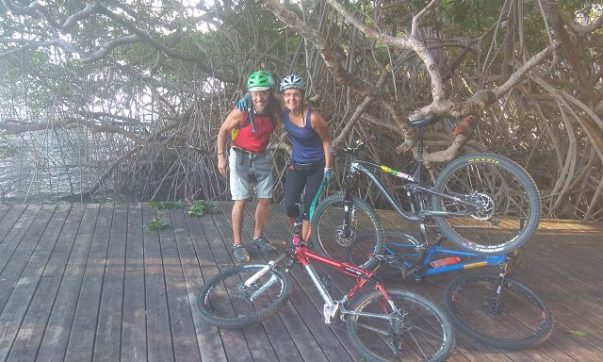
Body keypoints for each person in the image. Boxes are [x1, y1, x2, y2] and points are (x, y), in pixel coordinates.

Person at [216, 70, 280, 263]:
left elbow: (291, 100)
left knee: (265, 198)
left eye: (263, 92)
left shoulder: (275, 106)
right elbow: (223, 131)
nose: (259, 98)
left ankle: (258, 237)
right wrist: (221, 157)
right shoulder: (241, 110)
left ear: (270, 92)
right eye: (254, 93)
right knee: (241, 200)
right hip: (241, 156)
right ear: (249, 93)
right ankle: (237, 244)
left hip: (261, 156)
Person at [280, 74, 333, 242]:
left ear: (302, 95)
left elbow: (327, 141)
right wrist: (247, 97)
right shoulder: (284, 112)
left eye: (295, 94)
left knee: (309, 208)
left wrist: (329, 168)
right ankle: (297, 232)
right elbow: (264, 100)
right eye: (288, 94)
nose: (291, 98)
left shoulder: (313, 117)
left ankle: (302, 245)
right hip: (297, 165)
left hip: (317, 167)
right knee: (289, 206)